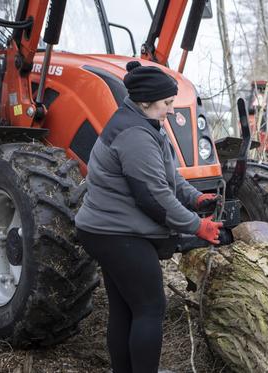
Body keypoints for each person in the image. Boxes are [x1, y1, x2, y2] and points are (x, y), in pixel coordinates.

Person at [75, 61, 222, 373]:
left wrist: (196, 197)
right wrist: (198, 226)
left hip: (106, 229)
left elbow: (168, 176)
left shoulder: (146, 123)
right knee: (150, 307)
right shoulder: (135, 136)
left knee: (126, 308)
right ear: (146, 102)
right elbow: (155, 197)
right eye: (167, 103)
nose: (170, 110)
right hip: (115, 234)